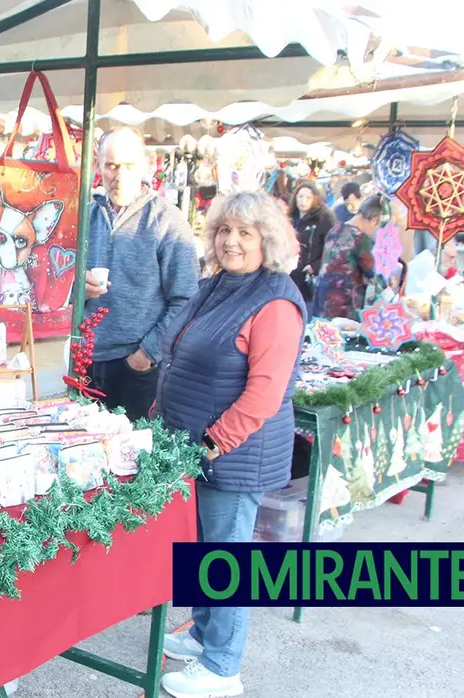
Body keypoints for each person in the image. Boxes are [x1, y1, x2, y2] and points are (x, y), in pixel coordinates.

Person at [155, 191, 306, 698]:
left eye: (245, 233)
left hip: (232, 453)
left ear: (268, 239)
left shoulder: (277, 301)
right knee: (204, 548)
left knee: (227, 555)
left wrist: (216, 442)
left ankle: (223, 668)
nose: (231, 241)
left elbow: (264, 393)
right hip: (194, 444)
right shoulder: (218, 284)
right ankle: (202, 634)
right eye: (224, 230)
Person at [83, 128, 199, 419]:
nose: (119, 175)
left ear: (145, 166)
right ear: (98, 166)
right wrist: (76, 288)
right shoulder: (87, 216)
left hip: (136, 366)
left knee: (132, 457)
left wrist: (147, 354)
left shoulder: (166, 221)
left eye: (129, 166)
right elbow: (57, 283)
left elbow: (187, 299)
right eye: (111, 165)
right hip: (85, 359)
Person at [313, 193, 384, 320]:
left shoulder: (334, 229)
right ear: (374, 220)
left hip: (321, 298)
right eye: (377, 226)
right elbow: (373, 271)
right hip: (344, 304)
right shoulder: (360, 238)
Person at [289, 180, 337, 303]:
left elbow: (334, 248)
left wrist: (315, 266)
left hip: (310, 278)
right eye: (300, 196)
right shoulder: (291, 218)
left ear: (314, 199)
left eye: (308, 197)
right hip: (290, 275)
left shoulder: (324, 219)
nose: (303, 200)